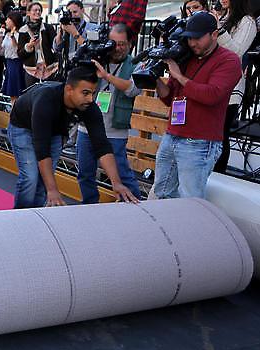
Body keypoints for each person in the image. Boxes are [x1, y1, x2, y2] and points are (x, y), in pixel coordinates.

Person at [7, 67, 139, 208]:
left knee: (43, 180)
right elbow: (42, 150)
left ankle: (36, 215)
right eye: (85, 93)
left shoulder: (89, 108)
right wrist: (53, 190)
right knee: (30, 177)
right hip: (22, 126)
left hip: (55, 131)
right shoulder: (45, 101)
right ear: (69, 90)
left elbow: (102, 146)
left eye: (93, 93)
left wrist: (116, 183)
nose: (90, 99)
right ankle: (20, 215)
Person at [154, 12, 242, 199]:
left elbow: (212, 95)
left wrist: (178, 76)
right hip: (172, 135)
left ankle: (190, 229)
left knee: (190, 199)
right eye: (189, 38)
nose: (192, 43)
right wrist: (153, 77)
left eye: (197, 38)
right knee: (162, 192)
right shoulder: (187, 57)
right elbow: (169, 98)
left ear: (214, 35)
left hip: (200, 141)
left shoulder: (230, 60)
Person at [75, 23, 142, 204]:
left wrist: (107, 76)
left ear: (130, 44)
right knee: (85, 174)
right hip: (87, 128)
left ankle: (137, 209)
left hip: (114, 131)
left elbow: (133, 90)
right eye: (113, 43)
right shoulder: (96, 58)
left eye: (122, 44)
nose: (117, 48)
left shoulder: (135, 63)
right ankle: (90, 207)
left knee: (122, 175)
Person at [212, 0, 256, 173]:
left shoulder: (247, 22)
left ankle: (218, 174)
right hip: (211, 82)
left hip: (231, 87)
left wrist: (220, 30)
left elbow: (236, 52)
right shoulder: (223, 17)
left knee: (220, 133)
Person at [17, 2, 58, 87]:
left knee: (47, 94)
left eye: (39, 10)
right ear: (28, 13)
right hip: (31, 69)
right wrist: (28, 46)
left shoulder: (48, 28)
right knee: (31, 94)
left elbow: (55, 46)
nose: (38, 12)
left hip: (48, 68)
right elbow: (20, 54)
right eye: (35, 10)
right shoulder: (23, 30)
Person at [0, 12, 27, 101]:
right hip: (9, 63)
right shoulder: (7, 35)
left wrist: (13, 38)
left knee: (17, 91)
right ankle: (13, 112)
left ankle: (16, 112)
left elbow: (18, 50)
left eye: (8, 19)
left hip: (17, 63)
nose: (6, 21)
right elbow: (1, 52)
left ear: (13, 21)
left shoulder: (20, 34)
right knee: (12, 93)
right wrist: (0, 40)